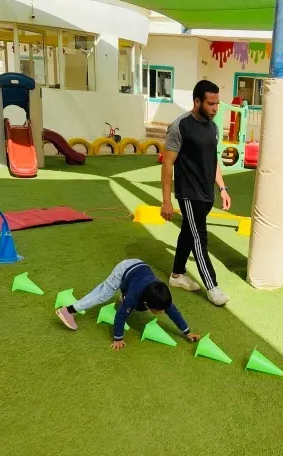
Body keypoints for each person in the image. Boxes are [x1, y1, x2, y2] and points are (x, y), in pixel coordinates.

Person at [161, 79, 231, 307]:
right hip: (189, 193)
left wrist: (222, 188)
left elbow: (213, 160)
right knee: (200, 239)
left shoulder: (213, 127)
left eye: (217, 103)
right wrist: (166, 201)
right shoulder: (180, 126)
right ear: (197, 101)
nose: (215, 108)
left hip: (207, 193)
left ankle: (177, 275)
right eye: (211, 103)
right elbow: (167, 165)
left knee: (188, 234)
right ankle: (213, 287)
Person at [55, 259, 200, 350]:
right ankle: (68, 310)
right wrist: (118, 338)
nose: (163, 312)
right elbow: (120, 316)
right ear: (147, 303)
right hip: (124, 269)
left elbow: (174, 313)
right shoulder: (134, 298)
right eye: (159, 310)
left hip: (140, 271)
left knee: (131, 298)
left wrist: (187, 332)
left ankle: (123, 295)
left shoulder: (162, 298)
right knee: (103, 294)